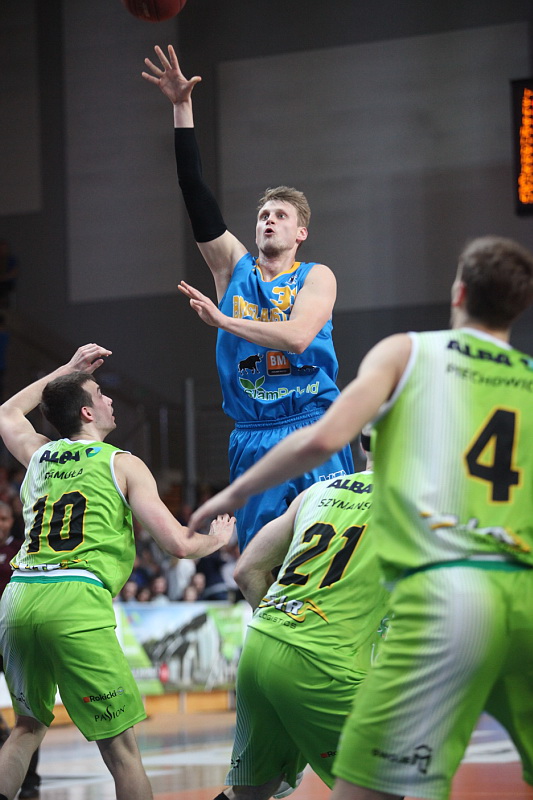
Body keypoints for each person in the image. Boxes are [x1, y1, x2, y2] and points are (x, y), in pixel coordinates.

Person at [188, 236, 533, 800]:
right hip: (518, 592)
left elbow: (320, 441)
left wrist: (236, 491)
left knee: (365, 787)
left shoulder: (408, 355)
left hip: (445, 603)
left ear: (459, 293)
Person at [0, 343, 235, 800]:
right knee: (122, 751)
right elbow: (179, 544)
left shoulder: (39, 455)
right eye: (100, 394)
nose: (109, 399)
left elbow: (8, 412)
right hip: (74, 598)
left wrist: (65, 370)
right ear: (87, 413)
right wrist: (218, 540)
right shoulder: (121, 462)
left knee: (26, 729)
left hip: (18, 595)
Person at [142, 45, 354, 551]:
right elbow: (194, 191)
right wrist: (181, 108)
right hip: (253, 433)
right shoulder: (232, 268)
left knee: (330, 559)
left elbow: (298, 337)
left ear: (301, 232)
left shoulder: (317, 276)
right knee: (258, 563)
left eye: (280, 215)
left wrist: (224, 322)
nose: (268, 220)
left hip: (314, 425)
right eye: (263, 215)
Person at [211, 436, 389, 800]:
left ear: (364, 447)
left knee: (254, 789)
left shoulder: (317, 492)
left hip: (262, 644)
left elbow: (246, 571)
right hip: (323, 661)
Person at [0, 501, 40, 799]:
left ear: (12, 520)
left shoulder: (23, 548)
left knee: (28, 713)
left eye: (4, 518)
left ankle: (30, 780)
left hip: (15, 636)